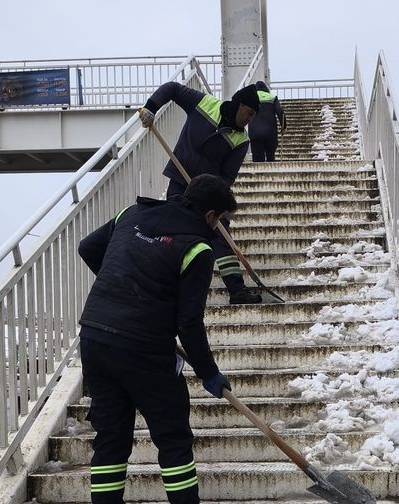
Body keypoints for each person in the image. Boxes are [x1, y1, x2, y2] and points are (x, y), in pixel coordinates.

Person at [77, 174, 236, 504]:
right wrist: (209, 373)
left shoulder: (131, 214)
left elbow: (88, 247)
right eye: (220, 219)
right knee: (173, 438)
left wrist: (122, 288)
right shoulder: (197, 248)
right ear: (210, 216)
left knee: (111, 437)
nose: (219, 226)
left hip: (94, 337)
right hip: (144, 349)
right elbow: (188, 322)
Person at [139, 81, 263, 304]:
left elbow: (228, 176)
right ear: (240, 104)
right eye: (250, 113)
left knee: (221, 234)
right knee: (174, 233)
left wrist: (216, 197)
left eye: (253, 116)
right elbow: (173, 89)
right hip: (180, 180)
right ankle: (167, 288)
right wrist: (151, 107)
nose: (250, 119)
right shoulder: (205, 104)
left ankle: (237, 290)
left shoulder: (241, 139)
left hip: (210, 192)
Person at [248, 80, 286, 162]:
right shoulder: (272, 97)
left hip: (255, 133)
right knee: (270, 157)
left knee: (257, 159)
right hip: (270, 133)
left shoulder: (251, 97)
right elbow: (280, 112)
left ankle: (258, 174)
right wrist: (283, 127)